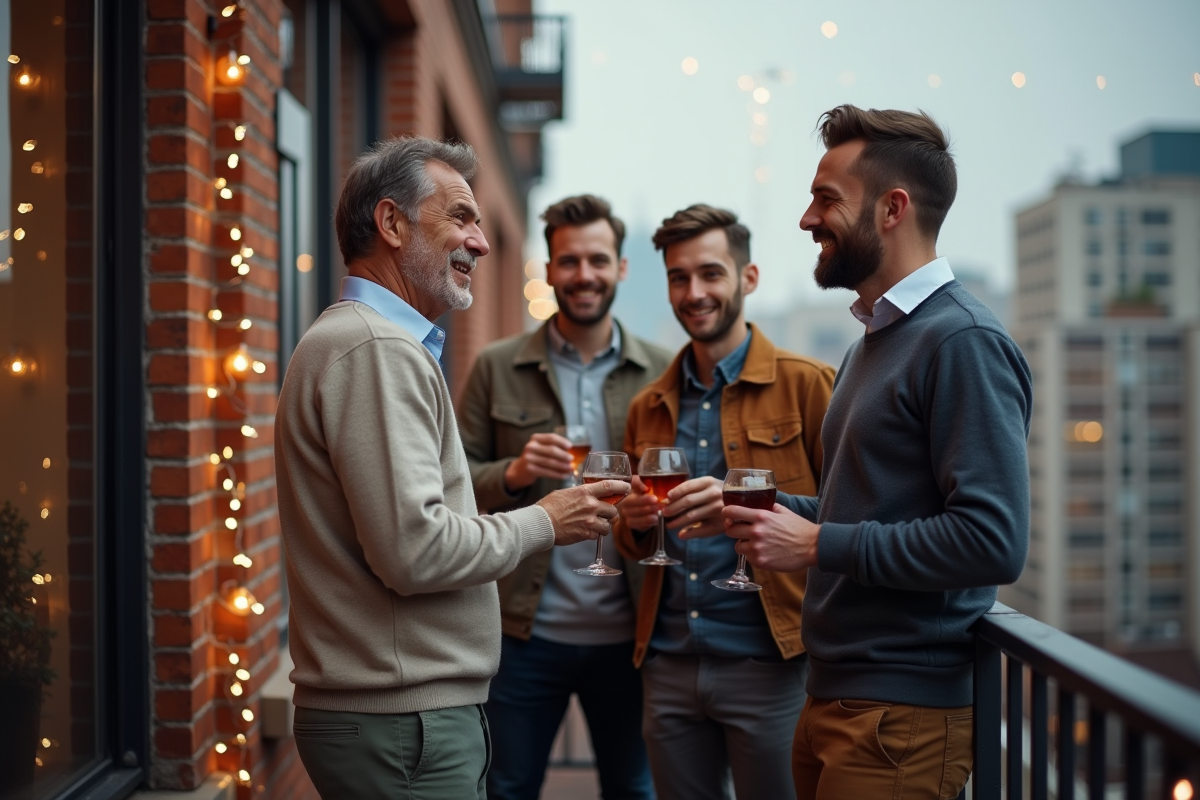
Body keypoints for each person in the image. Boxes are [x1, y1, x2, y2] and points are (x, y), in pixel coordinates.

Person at [274, 137, 629, 799]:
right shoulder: (376, 349)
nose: (483, 242)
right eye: (461, 217)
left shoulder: (360, 341)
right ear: (391, 224)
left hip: (400, 717)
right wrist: (547, 520)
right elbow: (416, 550)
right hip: (404, 725)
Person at [723, 105, 1033, 800]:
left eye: (826, 199)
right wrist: (750, 509)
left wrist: (814, 544)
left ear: (893, 209)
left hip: (902, 720)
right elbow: (856, 506)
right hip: (838, 697)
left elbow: (992, 541)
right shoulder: (877, 340)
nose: (807, 219)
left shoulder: (963, 342)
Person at [612, 204, 835, 800]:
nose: (694, 292)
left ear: (748, 278)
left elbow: (846, 516)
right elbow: (635, 541)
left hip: (772, 667)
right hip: (667, 665)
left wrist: (749, 507)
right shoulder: (647, 405)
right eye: (679, 277)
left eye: (711, 273)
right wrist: (632, 524)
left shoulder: (809, 383)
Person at [458, 194, 672, 800]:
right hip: (524, 637)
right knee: (508, 788)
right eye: (569, 261)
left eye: (598, 260)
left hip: (631, 636)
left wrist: (652, 509)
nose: (584, 275)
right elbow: (454, 482)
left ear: (621, 269)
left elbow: (684, 481)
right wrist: (518, 472)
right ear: (548, 269)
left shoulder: (662, 371)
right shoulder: (497, 366)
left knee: (634, 789)